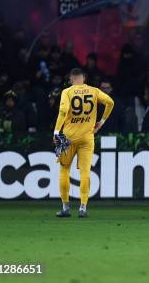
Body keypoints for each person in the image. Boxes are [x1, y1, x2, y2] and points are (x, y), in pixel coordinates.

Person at [54, 68, 114, 218]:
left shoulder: (67, 92)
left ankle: (65, 208)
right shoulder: (93, 91)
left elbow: (63, 111)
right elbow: (110, 102)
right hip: (87, 138)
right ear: (83, 78)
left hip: (68, 138)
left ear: (71, 79)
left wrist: (56, 131)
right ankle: (83, 208)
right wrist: (102, 121)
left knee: (64, 171)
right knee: (85, 172)